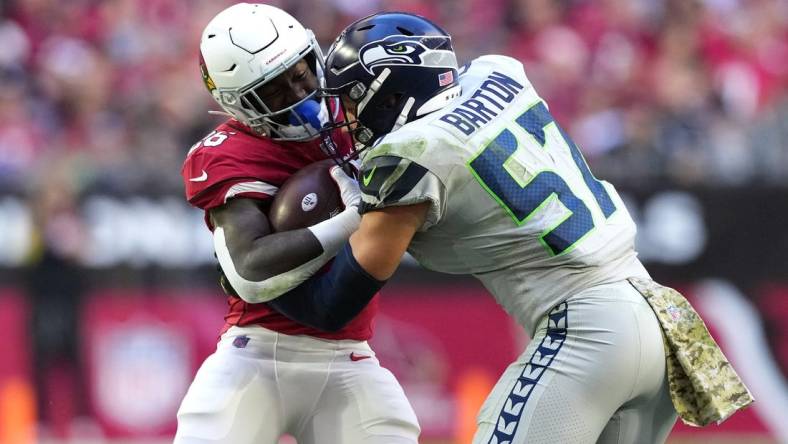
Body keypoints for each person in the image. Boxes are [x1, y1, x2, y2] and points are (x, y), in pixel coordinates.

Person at [260, 12, 754, 444]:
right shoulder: (500, 73)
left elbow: (334, 305)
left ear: (389, 96)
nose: (341, 117)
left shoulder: (410, 152)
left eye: (351, 100)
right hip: (655, 316)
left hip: (588, 333)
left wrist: (254, 279)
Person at [173, 4, 419, 444]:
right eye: (275, 91)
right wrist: (351, 221)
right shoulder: (229, 154)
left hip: (350, 356)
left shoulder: (359, 116)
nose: (299, 93)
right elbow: (250, 270)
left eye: (301, 72)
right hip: (257, 355)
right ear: (238, 102)